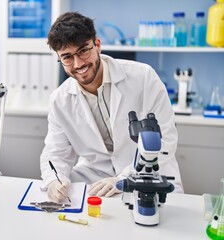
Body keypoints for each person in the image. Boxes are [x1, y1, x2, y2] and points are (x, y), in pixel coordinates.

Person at [40, 12, 184, 203]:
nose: (78, 63)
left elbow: (166, 140)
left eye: (83, 50)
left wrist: (123, 179)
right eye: (67, 57)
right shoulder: (60, 100)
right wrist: (53, 181)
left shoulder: (143, 77)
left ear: (97, 45)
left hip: (150, 177)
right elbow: (55, 153)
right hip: (96, 181)